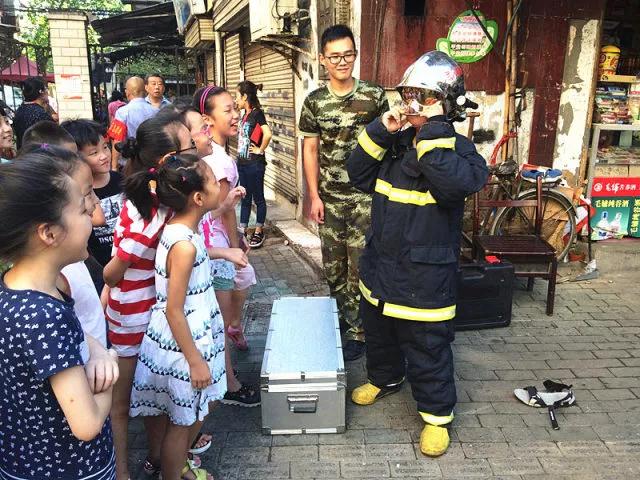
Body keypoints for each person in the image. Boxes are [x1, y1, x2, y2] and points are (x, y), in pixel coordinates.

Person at [346, 51, 489, 457]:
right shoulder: (394, 144)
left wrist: (433, 133)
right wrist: (381, 130)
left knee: (428, 348)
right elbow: (357, 173)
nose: (413, 104)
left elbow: (451, 186)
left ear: (446, 104)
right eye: (409, 94)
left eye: (424, 97)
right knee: (379, 334)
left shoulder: (459, 151)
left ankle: (437, 417)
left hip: (425, 278)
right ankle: (386, 379)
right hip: (381, 267)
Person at [0, 157, 117, 479]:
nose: (91, 213)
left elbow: (70, 338)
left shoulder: (15, 288)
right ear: (49, 233)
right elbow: (87, 424)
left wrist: (94, 349)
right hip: (73, 468)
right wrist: (110, 369)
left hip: (24, 464)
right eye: (81, 210)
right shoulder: (45, 316)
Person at [129, 154, 224, 480]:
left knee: (193, 413)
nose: (219, 185)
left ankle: (179, 466)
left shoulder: (181, 229)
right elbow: (174, 308)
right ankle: (173, 471)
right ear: (198, 198)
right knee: (181, 425)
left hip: (191, 337)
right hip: (185, 345)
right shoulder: (184, 246)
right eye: (214, 181)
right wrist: (195, 361)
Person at [298, 25, 389, 361]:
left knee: (361, 266)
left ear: (355, 55)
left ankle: (360, 332)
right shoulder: (315, 102)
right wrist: (313, 196)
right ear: (322, 59)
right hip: (331, 199)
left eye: (348, 55)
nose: (342, 61)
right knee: (334, 268)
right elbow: (310, 150)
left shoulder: (375, 96)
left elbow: (389, 142)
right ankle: (342, 322)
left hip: (366, 197)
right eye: (334, 56)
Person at [194, 85, 261, 406]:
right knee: (218, 322)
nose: (235, 115)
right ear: (207, 120)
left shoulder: (215, 155)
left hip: (216, 246)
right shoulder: (218, 161)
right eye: (227, 110)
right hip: (217, 248)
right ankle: (230, 385)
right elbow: (222, 211)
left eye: (236, 108)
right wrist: (235, 246)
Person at [62, 119, 124, 269]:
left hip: (123, 258)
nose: (104, 156)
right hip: (96, 263)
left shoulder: (120, 180)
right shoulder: (76, 191)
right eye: (94, 153)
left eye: (105, 147)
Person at [235, 80, 272, 248]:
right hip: (242, 163)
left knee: (258, 198)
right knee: (245, 197)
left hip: (254, 164)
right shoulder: (245, 115)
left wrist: (260, 150)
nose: (236, 100)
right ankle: (242, 230)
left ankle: (258, 230)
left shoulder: (257, 113)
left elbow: (267, 134)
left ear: (245, 96)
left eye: (237, 96)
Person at [107, 76, 158, 170]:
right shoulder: (156, 111)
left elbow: (117, 141)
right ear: (145, 91)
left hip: (130, 163)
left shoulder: (122, 112)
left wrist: (114, 167)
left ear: (127, 92)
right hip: (152, 161)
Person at [13, 76, 54, 149]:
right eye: (46, 89)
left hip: (23, 152)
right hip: (38, 153)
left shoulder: (19, 110)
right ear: (41, 92)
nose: (47, 92)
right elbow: (50, 141)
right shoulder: (41, 114)